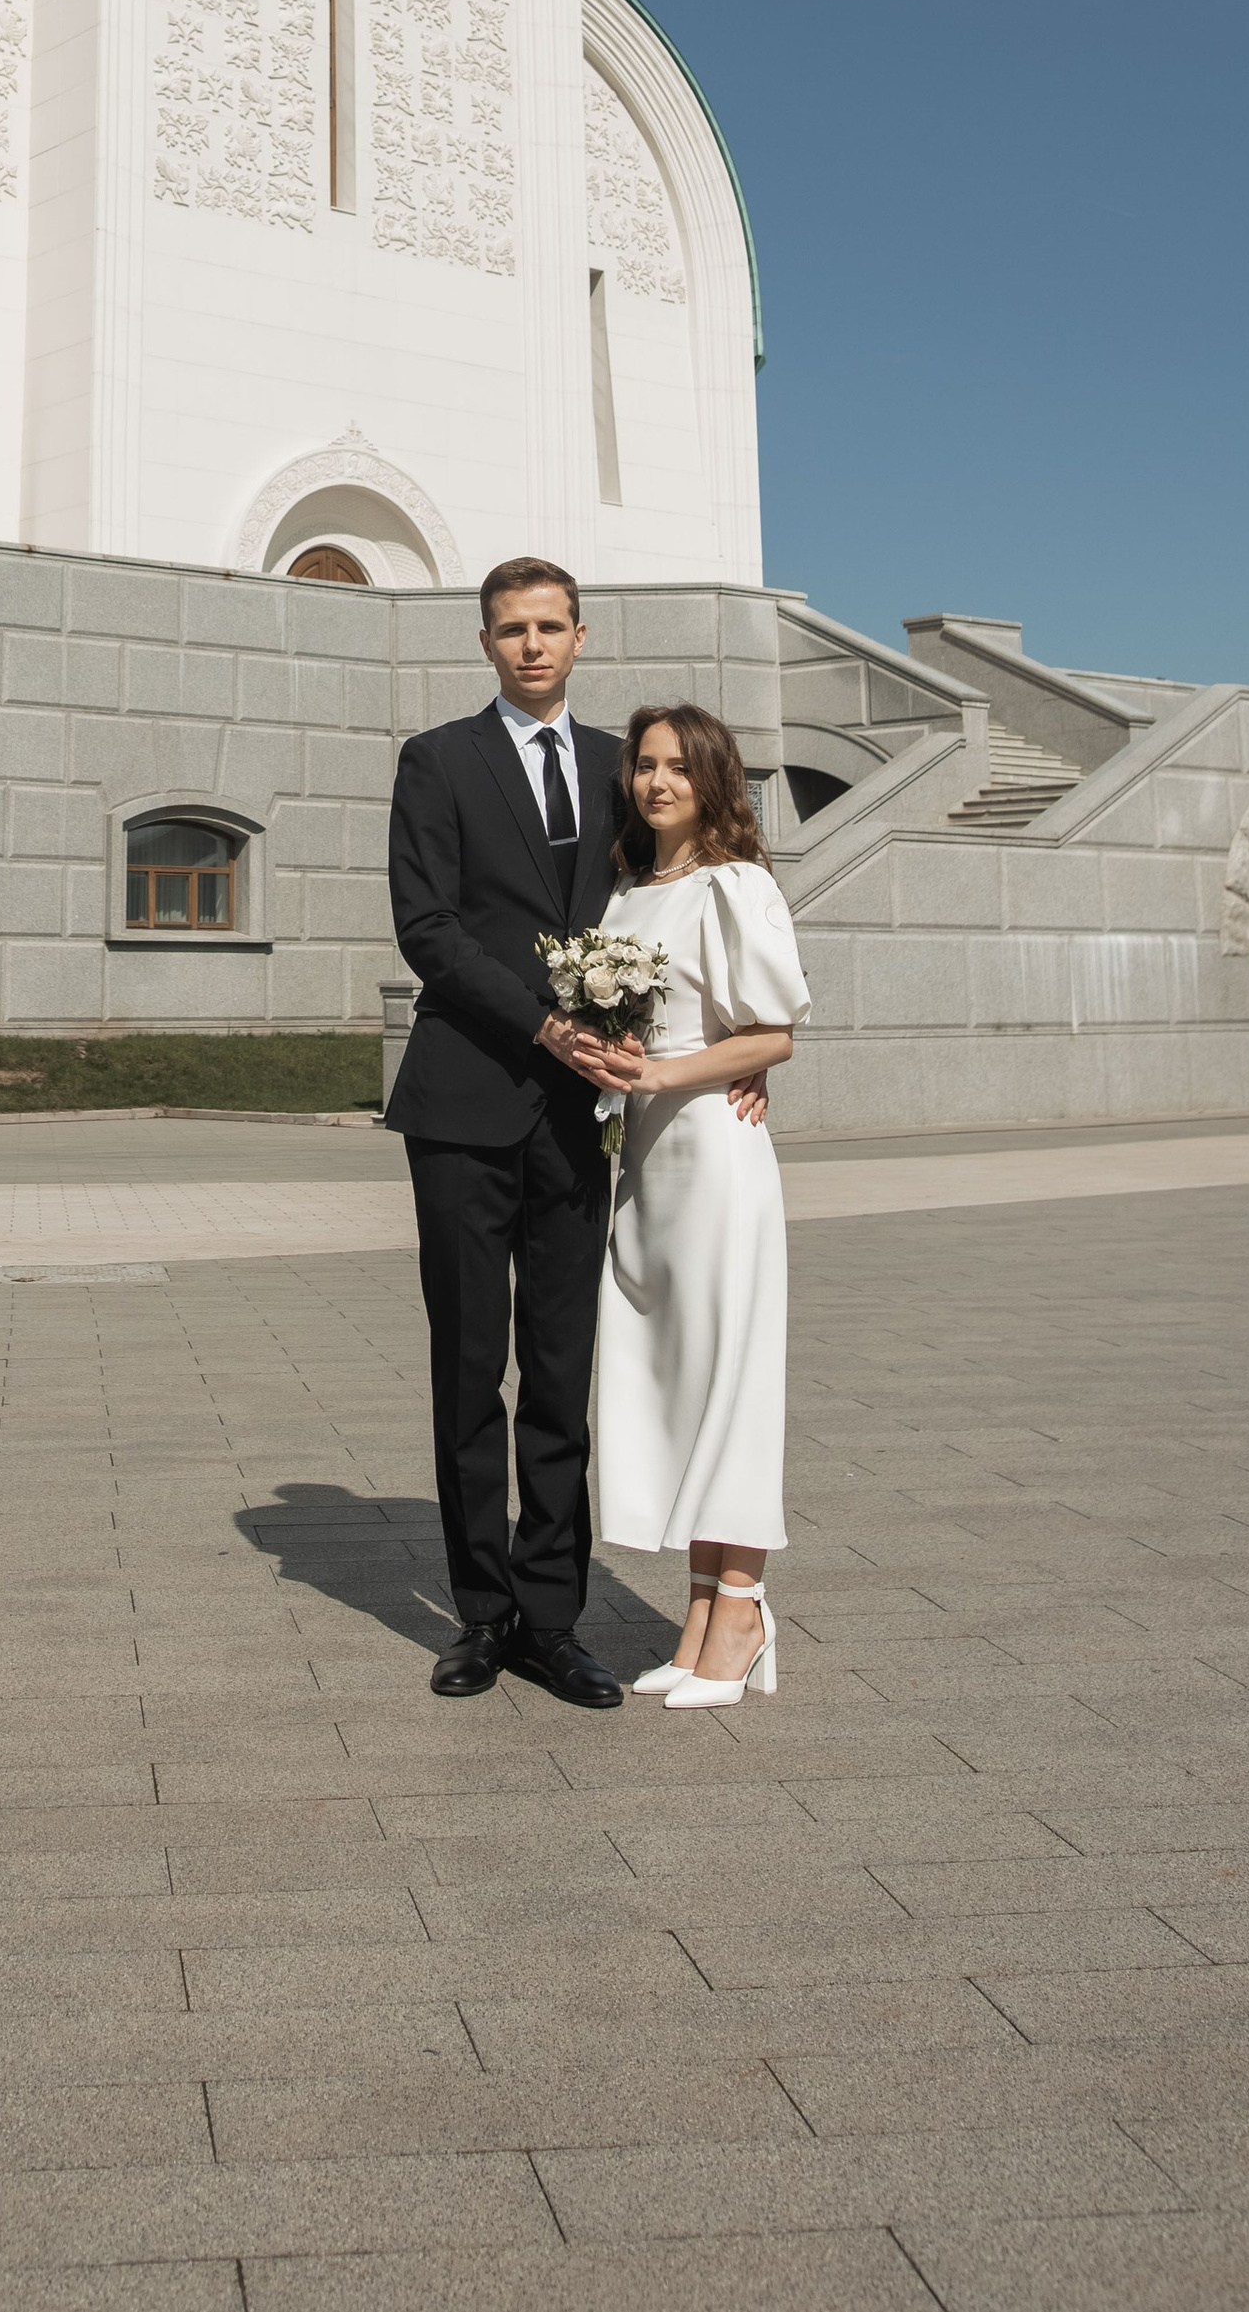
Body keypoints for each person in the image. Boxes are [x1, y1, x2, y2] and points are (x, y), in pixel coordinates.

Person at [385, 562, 764, 1707]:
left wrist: (745, 1051)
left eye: (550, 627)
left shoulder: (623, 766)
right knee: (468, 1367)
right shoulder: (437, 760)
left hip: (582, 1115)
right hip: (462, 1100)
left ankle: (553, 1620)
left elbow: (689, 896)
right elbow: (429, 930)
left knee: (561, 1372)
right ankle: (481, 1614)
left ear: (581, 636)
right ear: (485, 640)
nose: (532, 646)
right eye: (512, 630)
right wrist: (546, 1025)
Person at [576, 702, 809, 1707]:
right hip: (649, 1166)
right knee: (675, 1381)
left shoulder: (736, 886)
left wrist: (663, 1073)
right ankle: (700, 1613)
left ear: (714, 780)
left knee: (731, 1381)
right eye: (645, 765)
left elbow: (772, 1035)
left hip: (716, 1155)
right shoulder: (625, 894)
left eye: (677, 766)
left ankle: (745, 1609)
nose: (656, 781)